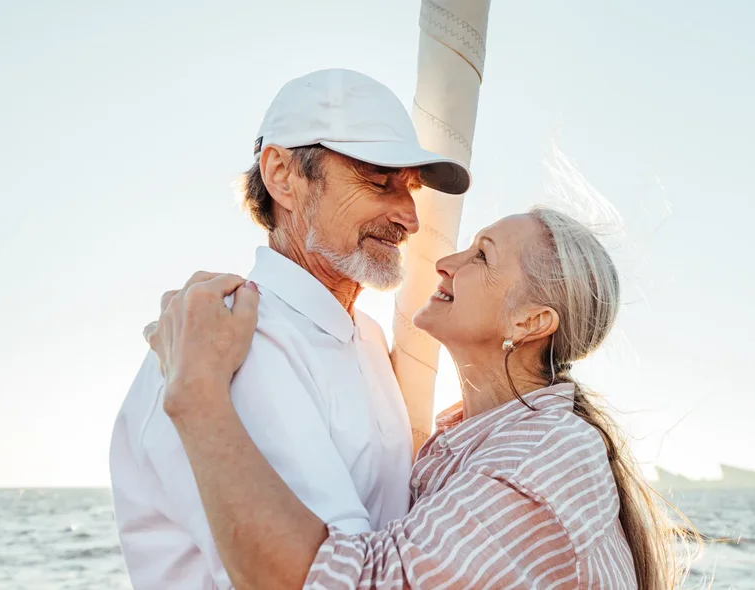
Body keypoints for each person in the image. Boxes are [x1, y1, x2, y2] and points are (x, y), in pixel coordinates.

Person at [143, 208, 684, 589]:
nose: (447, 260)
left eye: (483, 256)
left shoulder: (546, 460)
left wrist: (198, 392)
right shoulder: (461, 441)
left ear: (531, 321)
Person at [110, 68, 472, 590]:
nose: (409, 217)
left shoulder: (366, 338)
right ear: (282, 175)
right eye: (377, 179)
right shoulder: (237, 342)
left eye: (410, 189)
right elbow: (332, 574)